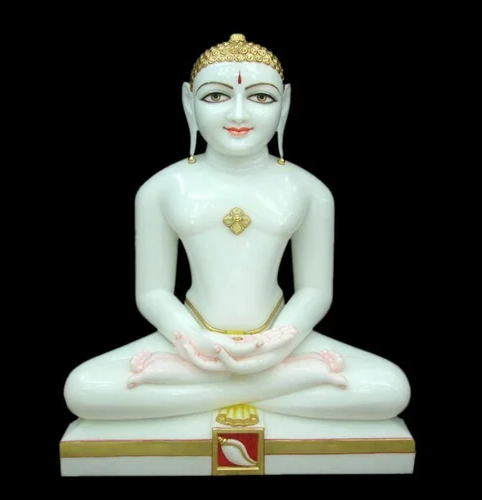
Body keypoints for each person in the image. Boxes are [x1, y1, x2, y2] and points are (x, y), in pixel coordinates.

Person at [64, 34, 410, 421]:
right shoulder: (160, 189)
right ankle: (287, 382)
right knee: (83, 389)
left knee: (390, 388)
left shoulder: (309, 191)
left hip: (282, 340)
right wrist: (194, 340)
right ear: (188, 102)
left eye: (261, 97)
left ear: (286, 104)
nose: (239, 115)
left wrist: (278, 342)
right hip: (190, 341)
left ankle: (205, 387)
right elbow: (152, 292)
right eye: (216, 96)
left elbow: (315, 291)